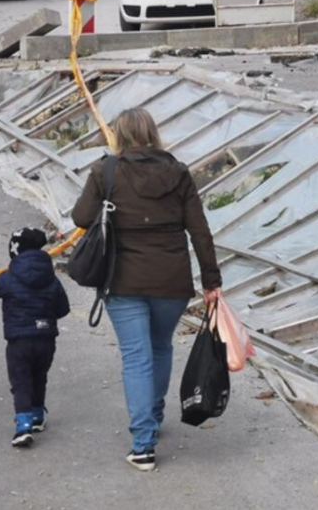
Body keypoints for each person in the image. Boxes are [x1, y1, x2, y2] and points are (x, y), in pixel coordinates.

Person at [71, 108, 223, 472]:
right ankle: (152, 417)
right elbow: (199, 231)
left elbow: (80, 217)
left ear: (119, 135)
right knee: (159, 347)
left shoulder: (104, 171)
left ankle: (143, 444)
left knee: (136, 357)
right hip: (172, 280)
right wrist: (211, 282)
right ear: (153, 133)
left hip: (122, 280)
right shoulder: (179, 172)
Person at [0, 228, 71, 448]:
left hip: (19, 341)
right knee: (39, 377)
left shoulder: (10, 277)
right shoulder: (51, 278)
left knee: (21, 381)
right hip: (46, 339)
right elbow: (63, 308)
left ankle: (23, 426)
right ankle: (37, 416)